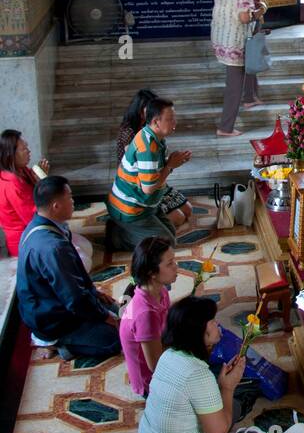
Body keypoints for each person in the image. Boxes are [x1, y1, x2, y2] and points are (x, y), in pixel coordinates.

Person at [138, 296, 273, 433]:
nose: (217, 324)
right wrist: (227, 387)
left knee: (232, 409)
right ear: (199, 332)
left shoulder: (169, 355)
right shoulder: (198, 375)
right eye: (212, 321)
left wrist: (224, 388)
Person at [16, 176, 121, 360]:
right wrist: (105, 317)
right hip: (52, 318)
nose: (73, 202)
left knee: (117, 310)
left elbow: (74, 278)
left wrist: (95, 294)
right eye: (70, 197)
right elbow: (74, 298)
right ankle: (61, 344)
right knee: (117, 338)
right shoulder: (52, 247)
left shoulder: (42, 224)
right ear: (56, 206)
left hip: (55, 302)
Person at [0, 129, 92, 268]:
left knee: (86, 247)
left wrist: (41, 179)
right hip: (30, 240)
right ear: (11, 155)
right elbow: (35, 218)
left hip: (43, 229)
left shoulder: (22, 170)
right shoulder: (12, 184)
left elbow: (37, 195)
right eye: (24, 149)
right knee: (83, 262)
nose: (28, 151)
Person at [107, 98, 191, 250]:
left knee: (170, 235)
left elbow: (154, 172)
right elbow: (148, 188)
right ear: (156, 122)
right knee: (164, 246)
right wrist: (170, 165)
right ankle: (118, 236)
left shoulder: (153, 137)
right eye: (170, 119)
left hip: (146, 206)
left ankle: (125, 229)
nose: (175, 123)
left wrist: (171, 162)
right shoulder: (147, 147)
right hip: (131, 209)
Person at [210, 0, 268, 137]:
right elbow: (244, 18)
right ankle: (225, 127)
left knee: (245, 69)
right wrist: (261, 10)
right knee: (234, 87)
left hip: (221, 40)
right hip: (235, 44)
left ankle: (250, 98)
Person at [119, 237, 178, 397]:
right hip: (151, 383)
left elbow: (168, 326)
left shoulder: (160, 291)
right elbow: (156, 365)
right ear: (152, 273)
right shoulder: (146, 314)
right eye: (170, 263)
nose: (176, 266)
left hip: (162, 350)